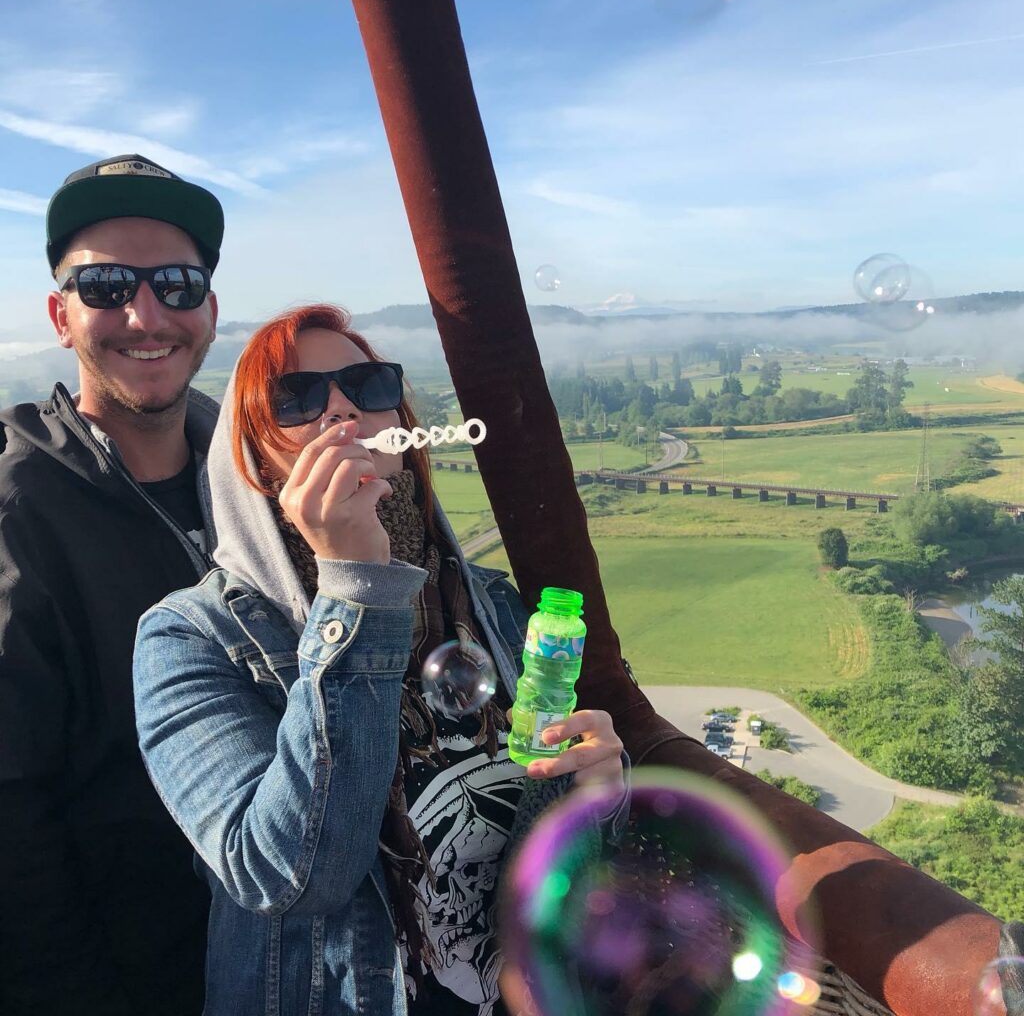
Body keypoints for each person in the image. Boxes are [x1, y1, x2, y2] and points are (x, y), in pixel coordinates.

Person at [133, 303, 626, 1015]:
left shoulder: (491, 604)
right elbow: (287, 879)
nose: (340, 410)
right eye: (296, 398)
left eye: (366, 384)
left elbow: (547, 864)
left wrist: (592, 795)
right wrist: (357, 584)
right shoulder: (189, 639)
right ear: (254, 461)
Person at [0, 154, 223, 1015]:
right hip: (130, 978)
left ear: (208, 308)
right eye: (104, 286)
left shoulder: (249, 471)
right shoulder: (21, 506)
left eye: (175, 282)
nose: (145, 313)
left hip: (282, 958)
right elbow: (10, 815)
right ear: (61, 316)